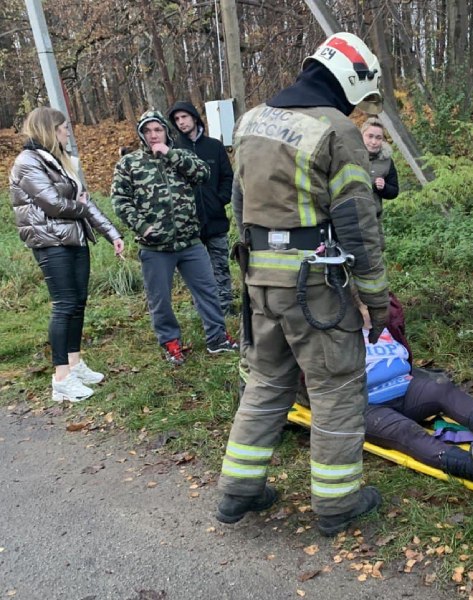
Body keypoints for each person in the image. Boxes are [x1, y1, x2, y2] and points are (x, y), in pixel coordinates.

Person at [216, 32, 389, 537]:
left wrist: (248, 275)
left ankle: (237, 491)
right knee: (336, 386)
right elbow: (358, 223)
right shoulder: (335, 128)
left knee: (266, 383)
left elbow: (240, 206)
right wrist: (375, 299)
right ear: (349, 84)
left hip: (259, 283)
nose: (356, 108)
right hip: (315, 288)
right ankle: (338, 503)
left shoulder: (251, 120)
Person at [9, 107, 125, 402]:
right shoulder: (27, 162)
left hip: (74, 240)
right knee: (64, 305)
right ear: (50, 129)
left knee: (78, 303)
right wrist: (81, 207)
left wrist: (112, 234)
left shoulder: (60, 161)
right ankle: (61, 378)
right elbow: (53, 204)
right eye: (62, 128)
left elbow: (85, 200)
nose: (66, 133)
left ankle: (74, 364)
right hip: (50, 243)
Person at [111, 110, 237, 365]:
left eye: (157, 130)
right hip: (155, 246)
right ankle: (171, 343)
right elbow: (120, 200)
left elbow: (203, 174)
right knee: (160, 299)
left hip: (190, 240)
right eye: (147, 131)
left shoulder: (181, 156)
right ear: (141, 135)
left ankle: (217, 338)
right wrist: (142, 226)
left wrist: (171, 154)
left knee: (208, 290)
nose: (153, 135)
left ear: (166, 132)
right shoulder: (130, 163)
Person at [361, 316, 473, 487]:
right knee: (406, 430)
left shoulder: (382, 328)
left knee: (441, 390)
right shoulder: (340, 339)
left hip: (405, 389)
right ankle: (471, 467)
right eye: (364, 308)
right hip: (367, 407)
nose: (371, 312)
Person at [167, 101, 235, 315]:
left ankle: (225, 307)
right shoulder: (175, 150)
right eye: (177, 120)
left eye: (184, 117)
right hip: (189, 225)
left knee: (221, 267)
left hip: (215, 220)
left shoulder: (214, 146)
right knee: (197, 271)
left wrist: (219, 199)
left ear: (194, 118)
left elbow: (228, 177)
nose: (181, 122)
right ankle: (204, 310)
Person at [360, 117, 399, 217]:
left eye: (378, 138)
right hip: (348, 218)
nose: (374, 142)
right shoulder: (348, 156)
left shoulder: (387, 161)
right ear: (362, 136)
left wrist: (383, 187)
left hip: (374, 219)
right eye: (370, 136)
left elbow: (394, 191)